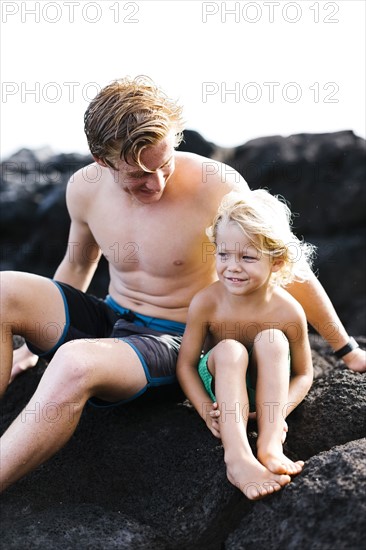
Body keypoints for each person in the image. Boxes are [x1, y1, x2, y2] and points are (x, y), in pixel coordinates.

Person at [0, 76, 364, 494]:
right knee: (3, 290)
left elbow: (285, 263)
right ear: (102, 160)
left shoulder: (217, 184)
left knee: (73, 363)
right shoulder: (83, 188)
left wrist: (346, 349)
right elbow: (78, 263)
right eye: (138, 175)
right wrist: (28, 348)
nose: (155, 183)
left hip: (174, 340)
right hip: (110, 317)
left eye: (164, 165)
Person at [177, 189, 316, 500]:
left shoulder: (288, 310)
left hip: (269, 395)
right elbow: (185, 365)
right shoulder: (207, 303)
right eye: (223, 254)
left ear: (277, 261)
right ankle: (237, 456)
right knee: (230, 349)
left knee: (273, 340)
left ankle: (269, 446)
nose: (232, 267)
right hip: (222, 384)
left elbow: (304, 373)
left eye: (248, 257)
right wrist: (204, 409)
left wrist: (278, 414)